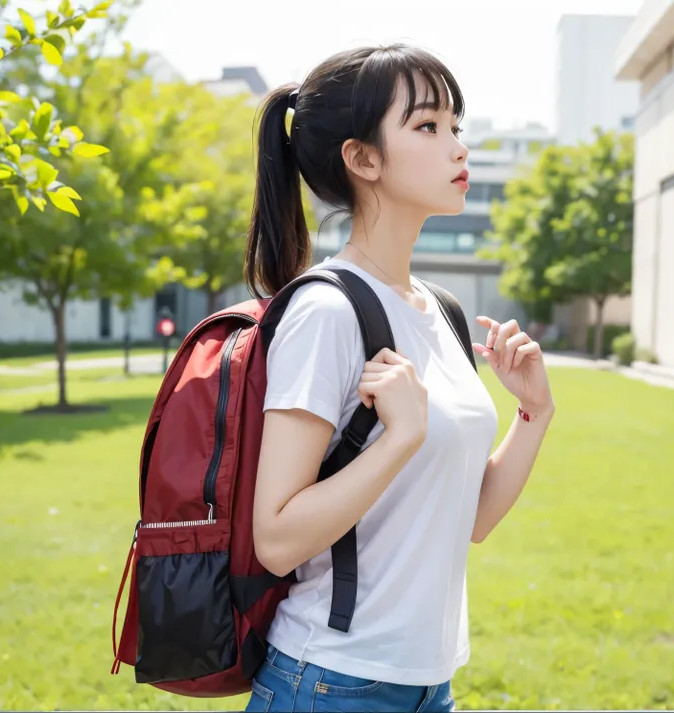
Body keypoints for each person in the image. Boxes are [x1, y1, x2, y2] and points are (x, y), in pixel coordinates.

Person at [243, 44, 555, 713]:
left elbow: (468, 518)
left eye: (456, 127)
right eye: (427, 126)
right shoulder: (327, 311)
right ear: (362, 159)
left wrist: (533, 414)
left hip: (428, 685)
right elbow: (275, 539)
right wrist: (396, 439)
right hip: (329, 682)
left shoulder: (438, 310)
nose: (457, 148)